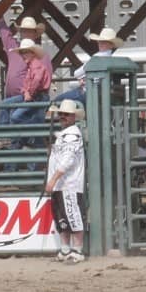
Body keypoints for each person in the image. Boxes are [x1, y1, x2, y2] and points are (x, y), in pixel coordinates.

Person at [44, 99, 88, 264]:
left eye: (66, 114)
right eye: (61, 114)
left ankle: (77, 250)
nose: (62, 116)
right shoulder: (65, 135)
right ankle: (66, 249)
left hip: (68, 184)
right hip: (61, 184)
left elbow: (68, 160)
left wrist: (53, 179)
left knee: (72, 216)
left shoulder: (71, 135)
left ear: (73, 116)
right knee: (62, 218)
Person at [54, 26, 124, 105]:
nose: (100, 43)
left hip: (87, 92)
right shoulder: (111, 60)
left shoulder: (97, 57)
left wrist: (83, 78)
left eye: (103, 41)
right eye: (100, 41)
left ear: (111, 45)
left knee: (57, 100)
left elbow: (77, 73)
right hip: (101, 94)